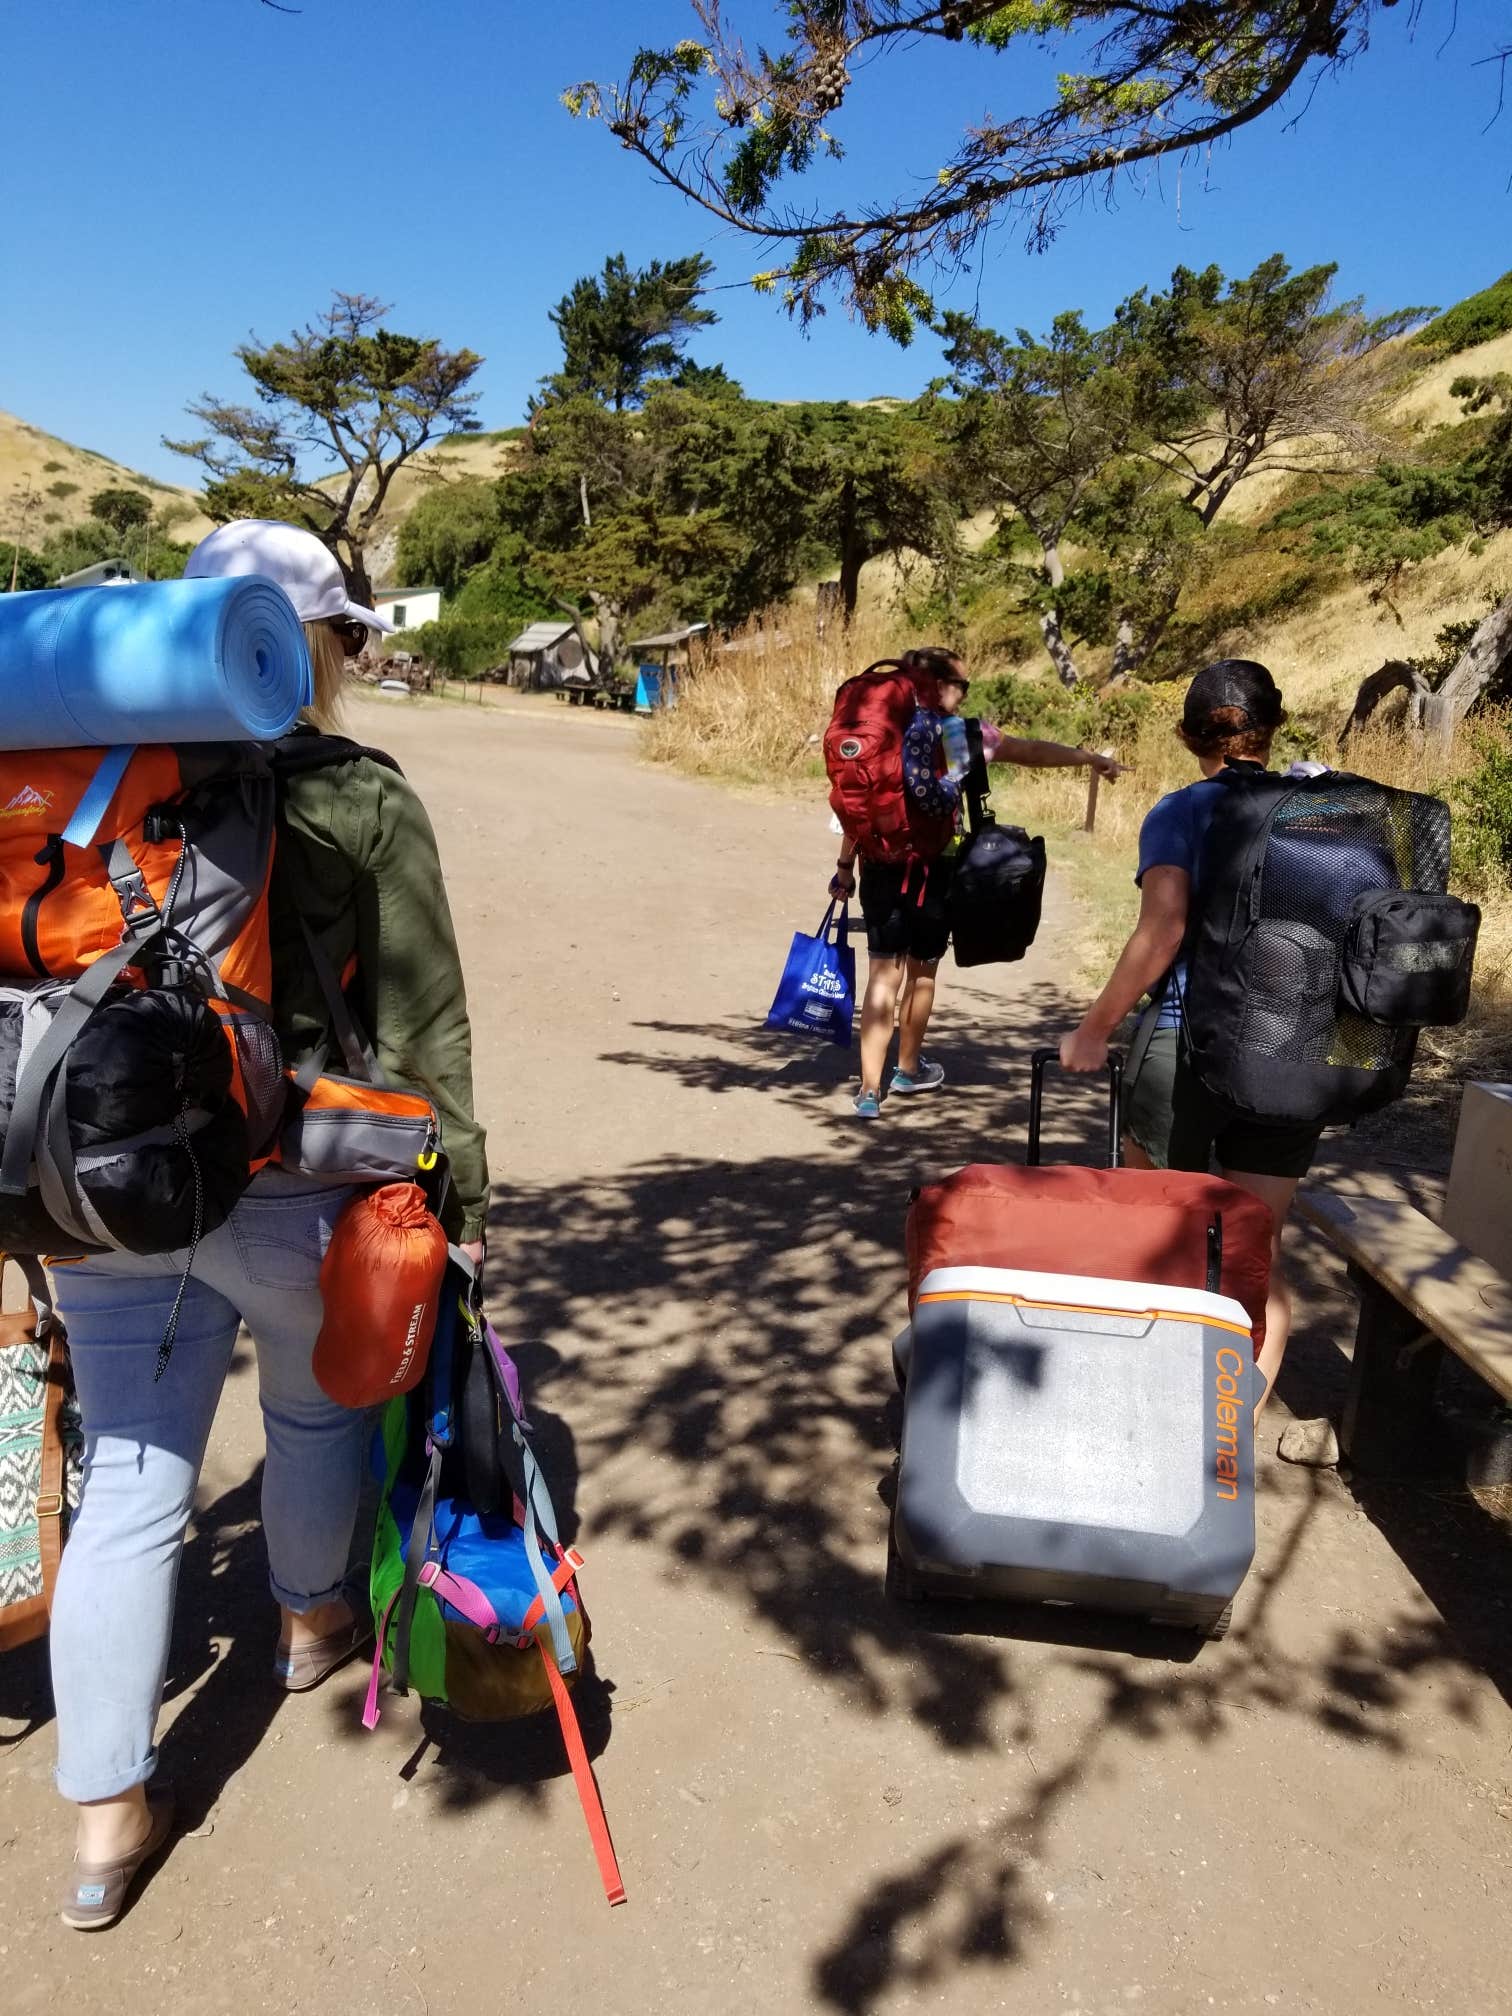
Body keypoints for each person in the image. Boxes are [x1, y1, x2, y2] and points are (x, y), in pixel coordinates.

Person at [47, 520, 490, 1929]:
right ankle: (309, 1627)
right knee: (309, 1415)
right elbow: (423, 1014)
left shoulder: (81, 777)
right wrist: (457, 1193)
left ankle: (109, 1817)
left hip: (103, 1181)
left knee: (127, 1483)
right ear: (319, 646)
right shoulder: (355, 792)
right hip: (292, 1179)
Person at [1058, 658, 1311, 1411]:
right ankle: (1231, 1428)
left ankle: (1151, 1408)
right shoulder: (1325, 809)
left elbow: (1163, 928)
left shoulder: (1181, 811)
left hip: (1185, 1046)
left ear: (1186, 735)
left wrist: (1094, 1028)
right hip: (1294, 1053)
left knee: (1158, 1231)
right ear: (1274, 726)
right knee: (1259, 1248)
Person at [830, 647, 1125, 1118]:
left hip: (879, 863)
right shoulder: (958, 732)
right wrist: (1089, 758)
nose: (965, 695)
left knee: (883, 974)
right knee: (922, 972)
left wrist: (845, 868)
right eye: (962, 686)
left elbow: (854, 812)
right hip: (935, 866)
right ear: (940, 685)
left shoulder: (883, 732)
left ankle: (869, 1091)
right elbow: (1027, 751)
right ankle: (907, 1069)